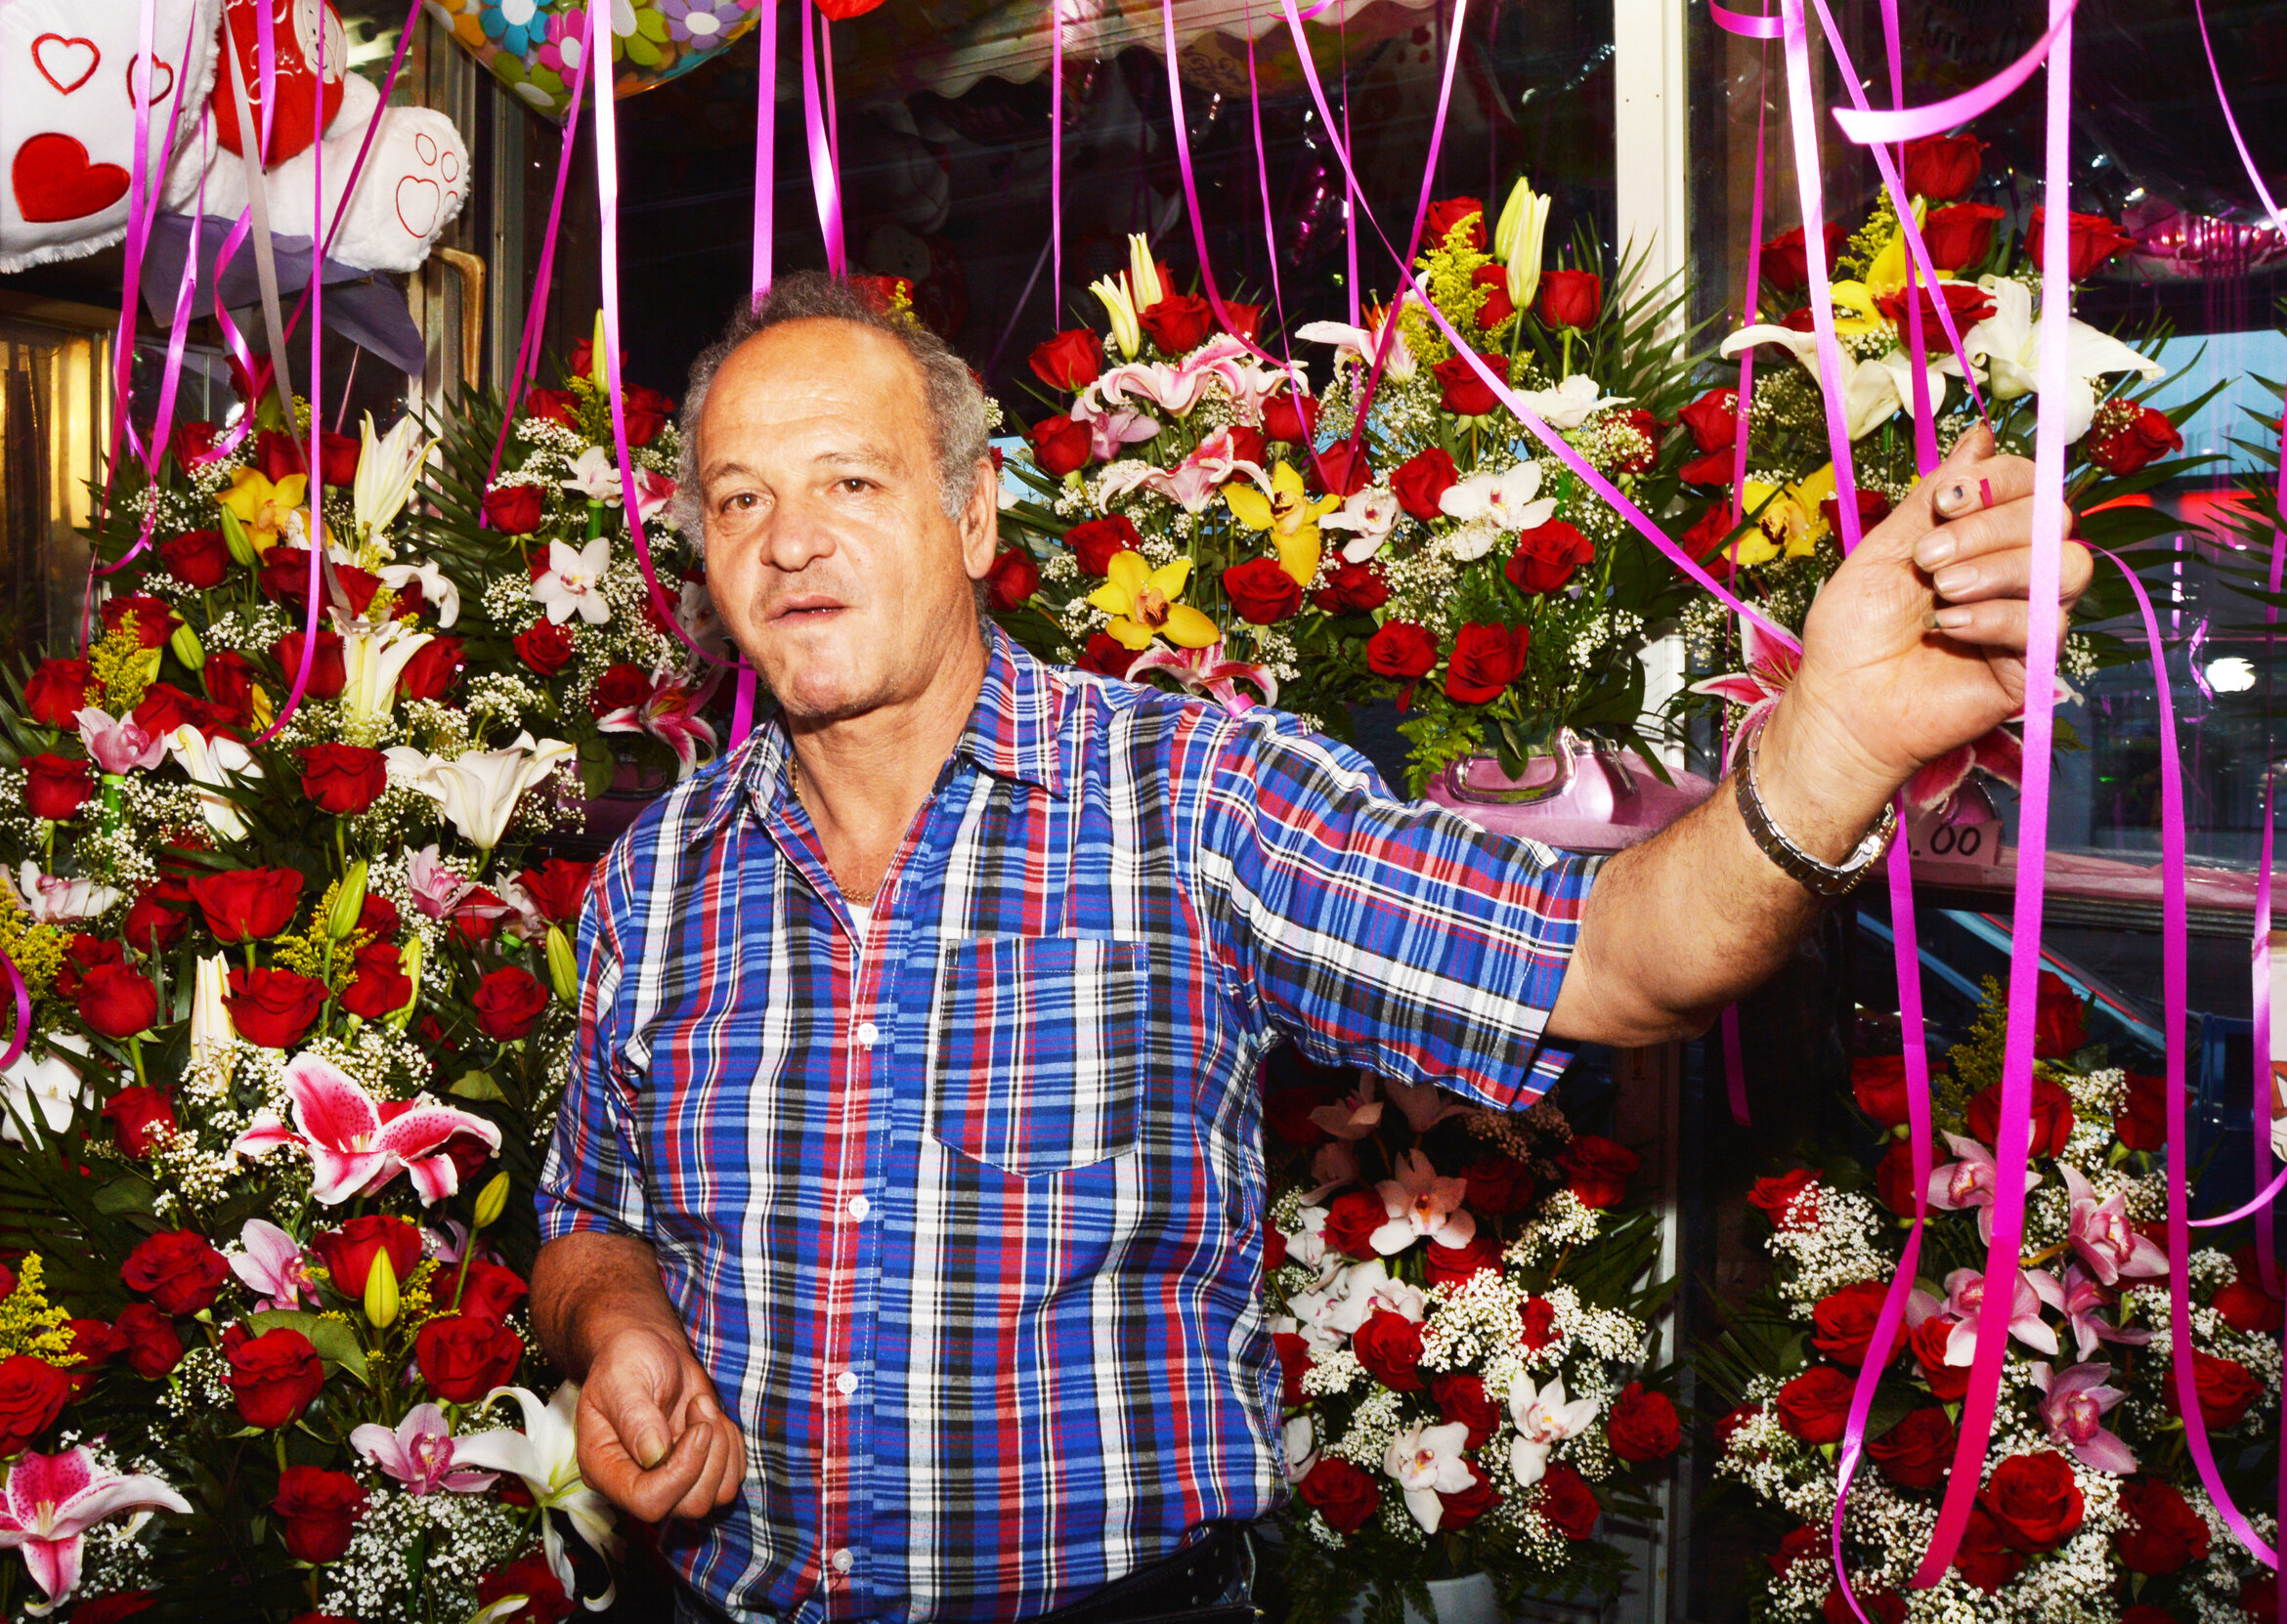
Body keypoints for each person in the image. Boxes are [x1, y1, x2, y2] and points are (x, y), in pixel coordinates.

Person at [531, 274, 2089, 1623]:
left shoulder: (1190, 798)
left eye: (850, 484)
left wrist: (1834, 742)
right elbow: (588, 1214)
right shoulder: (659, 875)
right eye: (740, 496)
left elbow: (1613, 958)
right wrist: (622, 1322)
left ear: (973, 510)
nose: (790, 539)